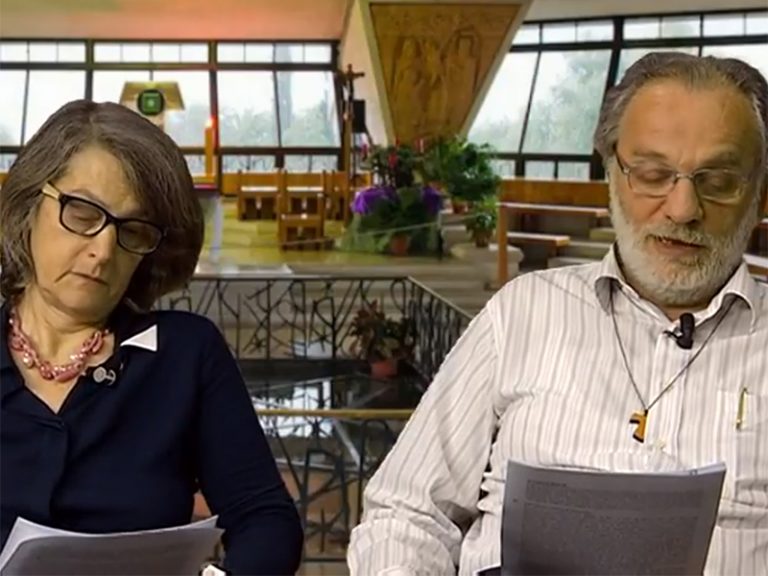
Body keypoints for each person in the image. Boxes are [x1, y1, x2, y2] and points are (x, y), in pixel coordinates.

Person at [347, 52, 768, 575]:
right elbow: (406, 513)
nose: (683, 209)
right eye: (653, 174)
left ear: (760, 193)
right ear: (611, 173)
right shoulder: (521, 313)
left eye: (719, 180)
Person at [0, 100, 303, 574]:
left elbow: (266, 519)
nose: (103, 250)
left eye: (133, 230)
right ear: (29, 206)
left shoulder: (186, 355)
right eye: (82, 213)